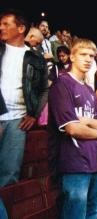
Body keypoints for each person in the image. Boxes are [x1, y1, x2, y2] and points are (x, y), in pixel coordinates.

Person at [48, 38, 97, 218]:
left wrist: (87, 121)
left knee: (94, 212)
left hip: (96, 161)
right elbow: (72, 129)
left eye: (92, 56)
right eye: (83, 54)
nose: (88, 59)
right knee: (76, 214)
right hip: (74, 163)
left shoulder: (89, 90)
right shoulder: (62, 84)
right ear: (72, 56)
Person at [0, 9, 48, 187]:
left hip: (17, 121)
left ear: (21, 29)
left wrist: (34, 114)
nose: (1, 27)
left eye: (6, 24)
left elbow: (44, 89)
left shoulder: (36, 57)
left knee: (9, 174)